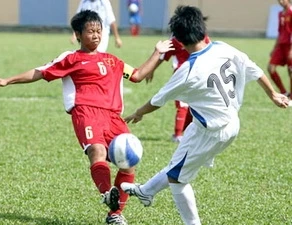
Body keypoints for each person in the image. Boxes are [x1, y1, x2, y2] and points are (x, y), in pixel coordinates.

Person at [0, 10, 173, 225]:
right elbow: (40, 72)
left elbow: (136, 75)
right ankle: (107, 193)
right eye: (91, 31)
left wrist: (157, 52)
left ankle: (115, 214)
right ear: (78, 34)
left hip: (114, 117)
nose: (96, 35)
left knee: (129, 163)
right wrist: (8, 80)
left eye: (99, 31)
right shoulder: (71, 58)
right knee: (97, 151)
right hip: (86, 113)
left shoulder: (112, 60)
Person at [120, 6, 289, 225]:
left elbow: (157, 100)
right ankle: (146, 191)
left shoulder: (188, 70)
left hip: (210, 132)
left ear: (179, 41)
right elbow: (254, 69)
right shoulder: (223, 47)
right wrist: (273, 94)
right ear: (202, 28)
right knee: (178, 163)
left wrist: (138, 113)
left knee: (177, 180)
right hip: (227, 123)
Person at [146, 31, 211, 143]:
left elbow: (162, 55)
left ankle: (179, 134)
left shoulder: (179, 38)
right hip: (192, 74)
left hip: (188, 74)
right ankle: (180, 134)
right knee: (188, 105)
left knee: (188, 105)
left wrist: (151, 69)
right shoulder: (200, 35)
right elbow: (164, 55)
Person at [267, 0, 292, 99]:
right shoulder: (281, 13)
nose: (281, 1)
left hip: (290, 46)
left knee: (291, 71)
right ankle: (284, 92)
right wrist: (274, 48)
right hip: (281, 46)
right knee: (270, 68)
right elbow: (280, 32)